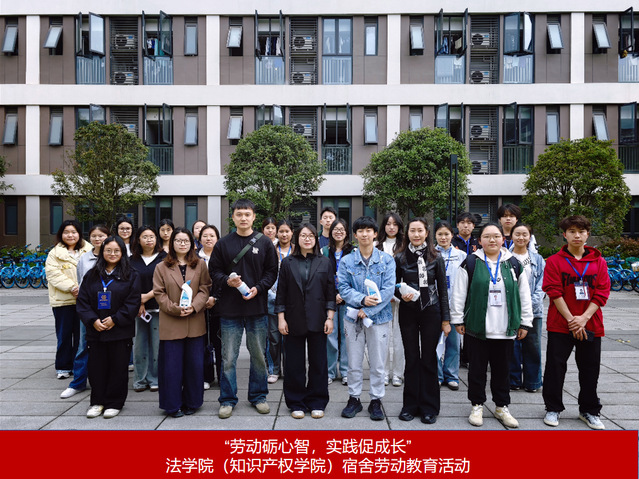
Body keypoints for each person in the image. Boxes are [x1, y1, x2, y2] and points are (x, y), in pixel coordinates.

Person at [450, 222, 533, 429]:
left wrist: (525, 322)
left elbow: (524, 295)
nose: (492, 240)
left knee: (502, 371)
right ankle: (477, 405)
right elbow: (459, 294)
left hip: (505, 328)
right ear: (480, 241)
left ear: (503, 239)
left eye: (496, 236)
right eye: (487, 236)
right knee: (476, 370)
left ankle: (501, 406)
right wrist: (458, 319)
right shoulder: (471, 262)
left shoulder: (513, 264)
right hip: (477, 328)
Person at [209, 199, 278, 419]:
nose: (243, 218)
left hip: (257, 308)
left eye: (247, 214)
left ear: (254, 217)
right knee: (228, 357)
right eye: (239, 214)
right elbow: (214, 271)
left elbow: (272, 272)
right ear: (233, 217)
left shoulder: (265, 243)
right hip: (229, 310)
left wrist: (259, 288)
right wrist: (226, 281)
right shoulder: (223, 244)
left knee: (258, 356)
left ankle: (258, 396)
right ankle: (227, 399)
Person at [541, 215, 610, 430]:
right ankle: (553, 408)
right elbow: (553, 291)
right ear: (564, 235)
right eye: (572, 231)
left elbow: (602, 292)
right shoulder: (554, 261)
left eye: (581, 231)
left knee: (590, 369)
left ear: (588, 234)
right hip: (561, 324)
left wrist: (584, 318)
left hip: (591, 323)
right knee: (555, 368)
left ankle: (589, 410)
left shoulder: (599, 262)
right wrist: (572, 320)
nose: (577, 235)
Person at [337, 216, 396, 421]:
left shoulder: (386, 260)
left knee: (378, 363)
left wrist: (369, 311)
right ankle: (354, 398)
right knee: (353, 362)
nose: (364, 234)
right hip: (353, 318)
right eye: (360, 231)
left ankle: (376, 400)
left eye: (368, 230)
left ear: (375, 234)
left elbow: (388, 290)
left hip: (379, 319)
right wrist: (362, 300)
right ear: (355, 235)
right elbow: (343, 288)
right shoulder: (347, 261)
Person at [76, 236, 141, 419]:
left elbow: (133, 302)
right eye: (108, 250)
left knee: (118, 367)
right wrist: (92, 320)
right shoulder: (92, 275)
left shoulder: (131, 274)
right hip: (96, 330)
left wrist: (115, 319)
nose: (112, 254)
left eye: (116, 251)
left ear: (123, 253)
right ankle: (97, 401)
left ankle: (114, 402)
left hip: (119, 330)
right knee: (96, 367)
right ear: (102, 252)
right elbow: (82, 302)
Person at [276, 224, 335, 419]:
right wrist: (281, 319)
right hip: (293, 319)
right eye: (303, 235)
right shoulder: (288, 263)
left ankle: (317, 401)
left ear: (316, 238)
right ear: (297, 238)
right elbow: (281, 293)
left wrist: (330, 318)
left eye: (311, 235)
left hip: (318, 319)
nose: (307, 239)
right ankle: (296, 402)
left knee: (319, 363)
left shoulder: (324, 262)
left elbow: (330, 292)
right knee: (294, 364)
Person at [394, 218, 450, 424]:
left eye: (420, 231)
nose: (416, 235)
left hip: (431, 312)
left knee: (428, 358)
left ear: (427, 233)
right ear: (407, 233)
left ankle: (429, 407)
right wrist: (402, 295)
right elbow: (392, 286)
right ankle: (409, 405)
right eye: (412, 231)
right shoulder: (400, 257)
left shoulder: (436, 257)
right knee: (411, 358)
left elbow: (443, 290)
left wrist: (446, 319)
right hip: (408, 312)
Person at [153, 227, 212, 418]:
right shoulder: (161, 266)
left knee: (194, 366)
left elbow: (205, 288)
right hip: (172, 322)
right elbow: (159, 293)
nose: (182, 244)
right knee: (171, 367)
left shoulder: (200, 264)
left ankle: (192, 402)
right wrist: (175, 309)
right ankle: (172, 405)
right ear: (172, 243)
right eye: (178, 240)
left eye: (186, 240)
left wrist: (194, 306)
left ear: (192, 244)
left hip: (195, 321)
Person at [60, 225, 109, 399]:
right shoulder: (85, 258)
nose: (97, 239)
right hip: (89, 309)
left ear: (108, 236)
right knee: (83, 346)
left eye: (101, 236)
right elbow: (82, 283)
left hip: (110, 309)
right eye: (94, 236)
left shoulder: (114, 256)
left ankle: (106, 383)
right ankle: (78, 383)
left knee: (109, 347)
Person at [46, 220, 93, 379]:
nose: (70, 235)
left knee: (81, 336)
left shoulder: (89, 250)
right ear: (61, 234)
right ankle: (63, 367)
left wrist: (84, 289)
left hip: (85, 301)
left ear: (79, 234)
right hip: (63, 301)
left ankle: (78, 365)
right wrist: (73, 287)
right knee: (64, 335)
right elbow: (53, 274)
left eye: (74, 232)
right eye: (66, 232)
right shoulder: (54, 253)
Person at [508, 222, 545, 393]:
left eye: (525, 234)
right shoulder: (505, 257)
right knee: (512, 346)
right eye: (517, 234)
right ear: (511, 236)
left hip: (533, 311)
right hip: (510, 309)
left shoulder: (537, 259)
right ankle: (513, 380)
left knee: (533, 346)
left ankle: (533, 382)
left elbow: (542, 286)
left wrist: (528, 304)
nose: (521, 237)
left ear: (530, 237)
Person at [130, 225, 166, 393]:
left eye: (151, 236)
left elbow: (166, 282)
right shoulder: (132, 260)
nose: (149, 240)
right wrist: (139, 301)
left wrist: (147, 297)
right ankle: (139, 379)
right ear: (138, 239)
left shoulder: (164, 258)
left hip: (159, 308)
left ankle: (155, 379)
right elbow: (128, 283)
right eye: (144, 237)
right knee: (139, 345)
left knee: (157, 345)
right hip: (138, 310)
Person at [434, 220, 467, 391]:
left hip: (455, 304)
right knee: (435, 342)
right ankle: (437, 375)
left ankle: (452, 375)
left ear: (452, 235)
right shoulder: (430, 254)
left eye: (446, 234)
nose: (443, 237)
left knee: (453, 342)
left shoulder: (461, 256)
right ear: (434, 236)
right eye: (440, 234)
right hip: (435, 304)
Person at [322, 218, 354, 386]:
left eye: (342, 229)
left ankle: (346, 371)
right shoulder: (324, 251)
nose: (339, 232)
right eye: (336, 229)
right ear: (331, 232)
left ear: (346, 232)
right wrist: (333, 294)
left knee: (347, 336)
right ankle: (330, 371)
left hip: (348, 300)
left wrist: (344, 293)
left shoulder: (353, 251)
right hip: (330, 299)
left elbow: (356, 276)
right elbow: (321, 275)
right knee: (330, 336)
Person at [376, 212, 405, 388]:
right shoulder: (377, 246)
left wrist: (397, 293)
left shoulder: (405, 245)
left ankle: (398, 373)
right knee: (383, 336)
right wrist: (385, 294)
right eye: (388, 224)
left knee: (400, 337)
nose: (391, 227)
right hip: (381, 298)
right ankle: (384, 372)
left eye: (395, 224)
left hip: (401, 297)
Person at [267, 219, 295, 384]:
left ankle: (290, 369)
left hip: (293, 301)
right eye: (281, 231)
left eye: (287, 231)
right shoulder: (270, 250)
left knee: (290, 338)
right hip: (272, 299)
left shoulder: (297, 250)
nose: (284, 234)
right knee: (273, 338)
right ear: (277, 233)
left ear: (292, 233)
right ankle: (274, 370)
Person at [197, 224, 222, 389]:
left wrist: (215, 298)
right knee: (202, 342)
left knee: (219, 342)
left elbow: (225, 281)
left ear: (217, 239)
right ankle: (206, 376)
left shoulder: (222, 257)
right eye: (205, 236)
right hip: (199, 307)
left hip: (219, 306)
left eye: (212, 235)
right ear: (200, 239)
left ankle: (222, 375)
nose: (208, 239)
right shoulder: (194, 258)